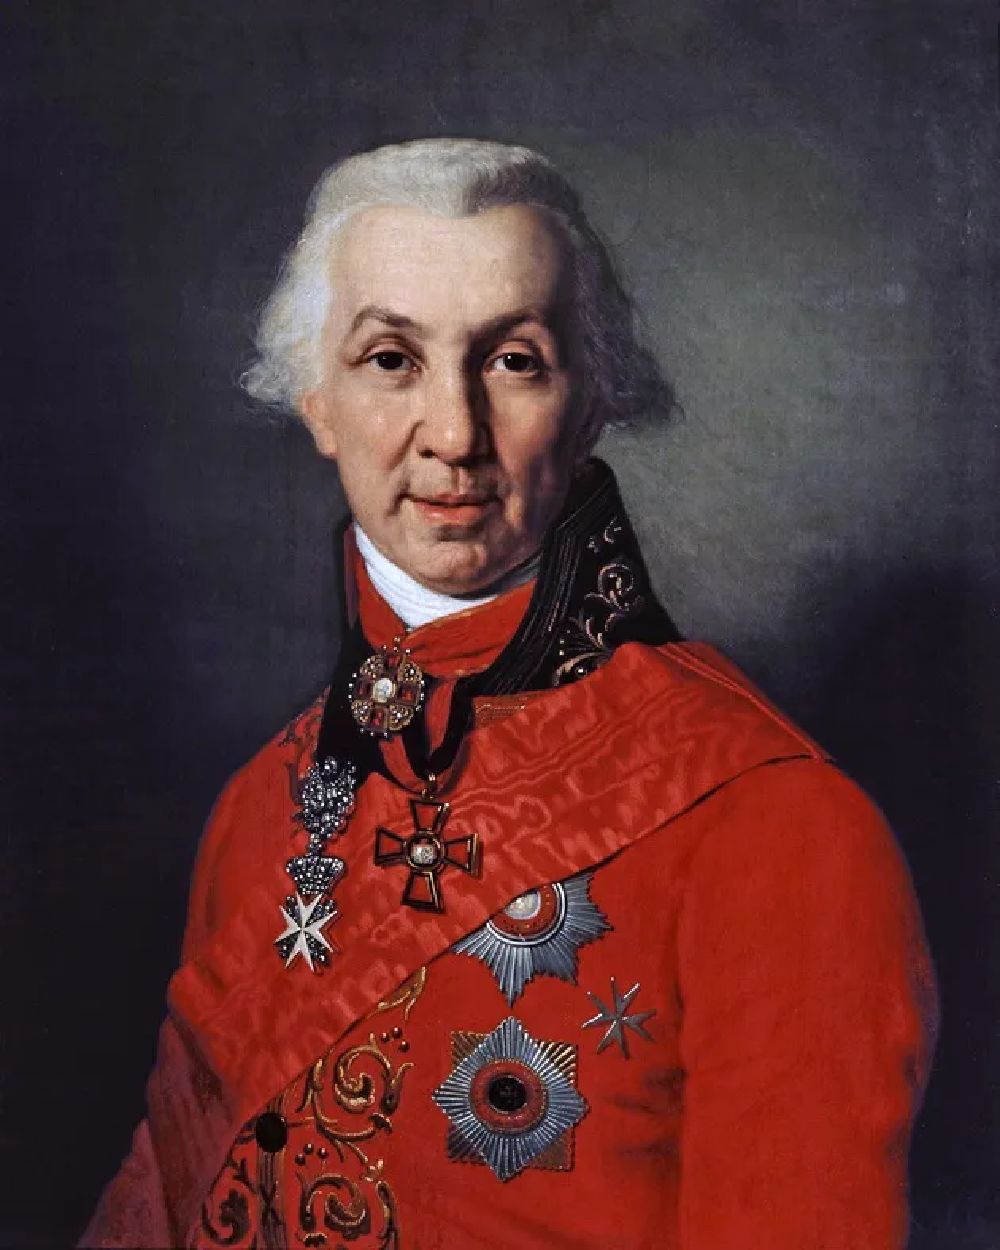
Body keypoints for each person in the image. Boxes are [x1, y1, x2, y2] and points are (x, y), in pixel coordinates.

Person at [82, 138, 937, 1250]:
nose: (453, 434)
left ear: (591, 400)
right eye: (392, 359)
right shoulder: (260, 805)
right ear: (317, 401)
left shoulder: (780, 829)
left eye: (514, 361)